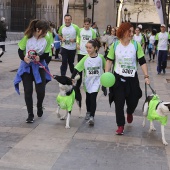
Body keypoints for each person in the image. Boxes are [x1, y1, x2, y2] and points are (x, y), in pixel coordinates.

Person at [105, 22, 150, 135]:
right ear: (122, 31)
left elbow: (142, 61)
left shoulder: (136, 45)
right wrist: (106, 75)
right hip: (118, 79)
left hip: (132, 79)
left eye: (132, 31)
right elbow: (109, 60)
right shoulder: (115, 45)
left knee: (133, 100)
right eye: (129, 31)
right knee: (119, 103)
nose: (131, 33)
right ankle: (120, 125)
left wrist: (146, 76)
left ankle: (130, 112)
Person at [14, 19, 51, 123]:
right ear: (38, 30)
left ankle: (39, 105)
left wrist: (40, 57)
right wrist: (24, 58)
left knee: (41, 91)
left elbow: (47, 53)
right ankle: (30, 114)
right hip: (27, 67)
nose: (46, 33)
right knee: (28, 91)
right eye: (44, 31)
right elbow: (20, 50)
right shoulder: (27, 37)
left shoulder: (47, 38)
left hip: (39, 67)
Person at [71, 39, 106, 125]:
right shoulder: (85, 58)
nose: (88, 49)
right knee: (88, 98)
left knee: (93, 98)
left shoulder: (101, 57)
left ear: (95, 48)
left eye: (90, 48)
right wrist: (71, 78)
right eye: (87, 47)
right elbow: (76, 68)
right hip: (87, 82)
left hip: (97, 81)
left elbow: (106, 69)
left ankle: (92, 117)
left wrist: (105, 83)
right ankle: (88, 111)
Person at [76, 17, 96, 88]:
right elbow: (78, 37)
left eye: (88, 24)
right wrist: (77, 43)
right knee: (79, 69)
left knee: (87, 69)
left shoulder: (93, 31)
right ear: (83, 24)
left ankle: (88, 83)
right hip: (81, 52)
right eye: (85, 24)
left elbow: (94, 41)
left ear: (90, 24)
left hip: (89, 53)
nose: (86, 25)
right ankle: (78, 84)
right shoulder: (80, 30)